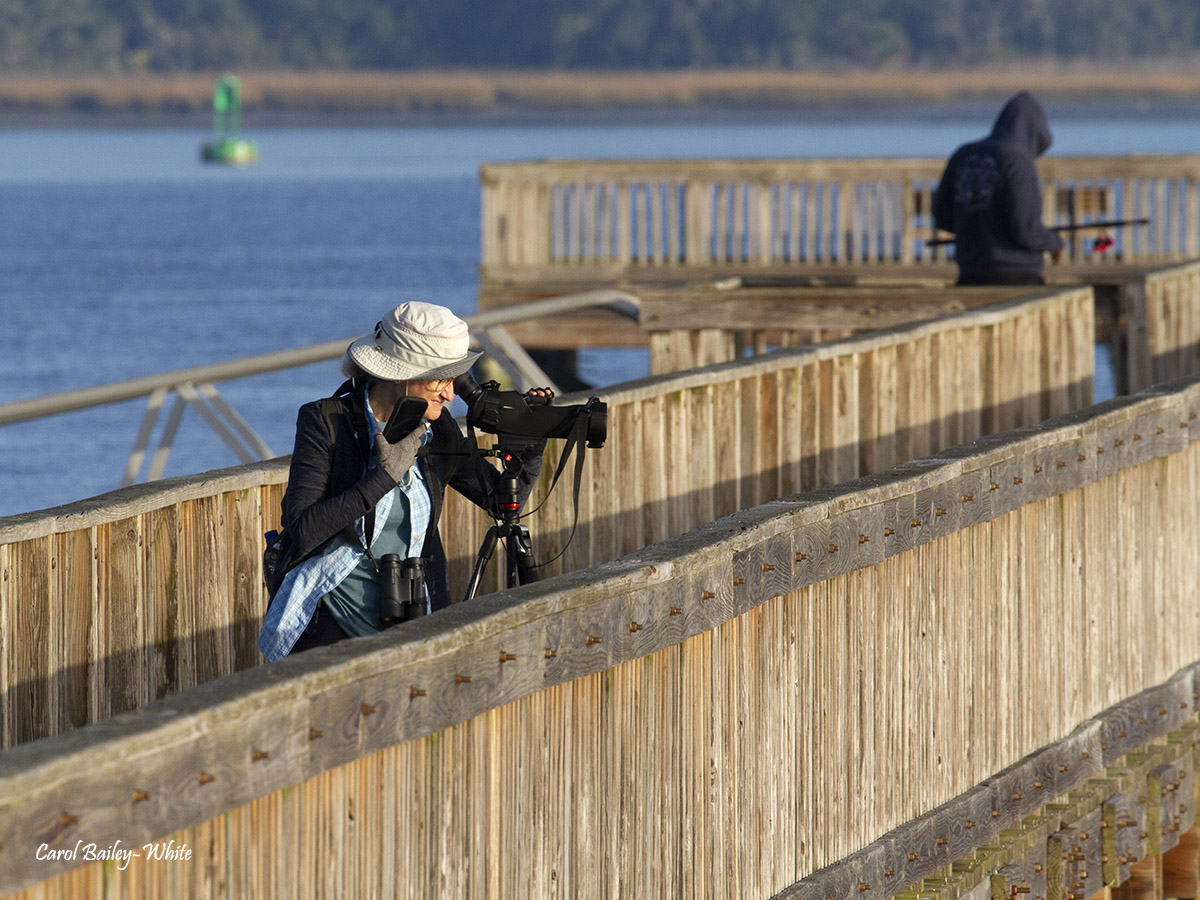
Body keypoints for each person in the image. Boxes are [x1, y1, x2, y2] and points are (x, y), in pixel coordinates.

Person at [258, 301, 547, 660]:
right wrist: (383, 477)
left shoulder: (438, 428)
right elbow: (302, 529)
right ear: (401, 374)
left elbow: (499, 501)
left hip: (415, 625)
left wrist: (531, 448)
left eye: (452, 380)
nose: (449, 394)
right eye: (440, 379)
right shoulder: (327, 421)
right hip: (329, 630)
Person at [932, 90, 1064, 286]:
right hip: (1018, 275)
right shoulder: (1018, 162)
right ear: (1034, 132)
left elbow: (942, 217)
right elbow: (1026, 230)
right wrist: (1055, 242)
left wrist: (976, 230)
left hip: (970, 272)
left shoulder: (962, 155)